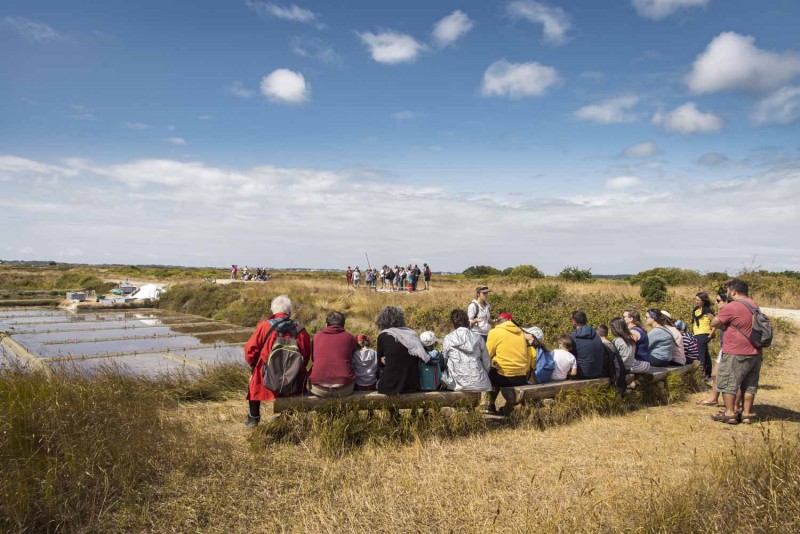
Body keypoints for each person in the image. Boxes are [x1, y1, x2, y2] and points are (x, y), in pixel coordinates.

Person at [243, 295, 311, 428]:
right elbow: (305, 354)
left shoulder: (264, 326)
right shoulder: (301, 330)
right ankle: (287, 416)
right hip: (292, 375)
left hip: (266, 373)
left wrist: (253, 365)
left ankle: (253, 418)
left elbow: (250, 350)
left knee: (254, 382)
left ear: (273, 310)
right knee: (299, 379)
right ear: (290, 311)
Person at [710, 278, 763, 425]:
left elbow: (714, 322)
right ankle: (746, 414)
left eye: (728, 290)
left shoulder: (732, 306)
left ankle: (729, 413)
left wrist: (722, 318)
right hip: (755, 352)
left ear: (734, 291)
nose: (727, 293)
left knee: (729, 382)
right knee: (750, 384)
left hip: (736, 351)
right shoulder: (754, 305)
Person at [375, 306, 429, 394]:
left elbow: (379, 364)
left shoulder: (383, 336)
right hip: (413, 385)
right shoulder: (412, 334)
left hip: (391, 386)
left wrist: (387, 361)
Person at [485, 312, 531, 415]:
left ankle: (490, 404)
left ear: (498, 322)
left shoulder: (495, 332)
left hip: (505, 377)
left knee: (491, 372)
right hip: (522, 376)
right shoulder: (520, 333)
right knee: (496, 369)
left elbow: (486, 354)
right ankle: (506, 407)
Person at [308, 311, 358, 398]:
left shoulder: (316, 337)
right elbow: (353, 358)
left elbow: (313, 359)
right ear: (343, 324)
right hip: (344, 388)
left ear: (327, 323)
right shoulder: (350, 337)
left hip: (318, 389)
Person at [441, 309, 492, 392]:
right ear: (467, 322)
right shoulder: (478, 337)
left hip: (456, 384)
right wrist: (483, 375)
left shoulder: (448, 338)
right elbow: (486, 362)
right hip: (480, 383)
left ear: (453, 323)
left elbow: (444, 360)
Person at [569, 310, 604, 379]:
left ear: (574, 321)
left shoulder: (573, 337)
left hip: (582, 373)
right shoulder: (596, 335)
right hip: (598, 372)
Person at [692, 292, 717, 380]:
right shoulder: (696, 309)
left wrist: (711, 334)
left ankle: (701, 375)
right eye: (696, 299)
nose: (696, 301)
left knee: (700, 355)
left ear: (704, 301)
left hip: (704, 334)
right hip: (697, 334)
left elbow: (715, 322)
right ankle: (708, 374)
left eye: (699, 300)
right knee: (705, 354)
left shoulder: (707, 310)